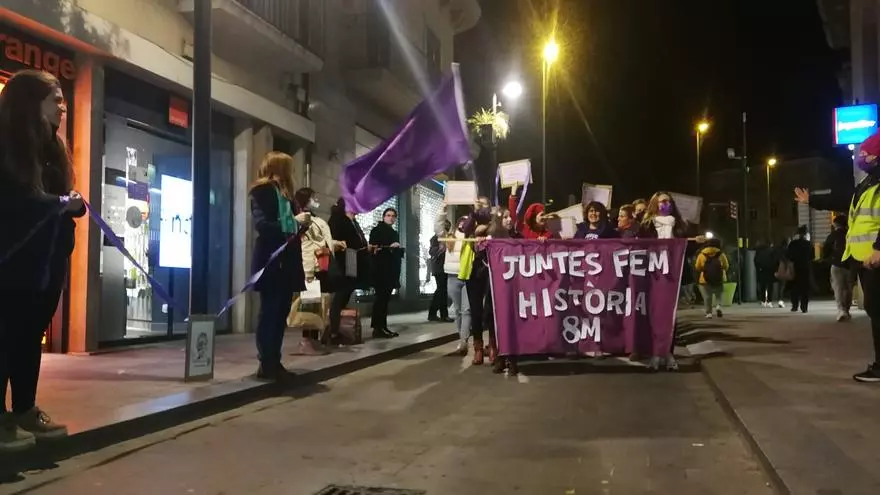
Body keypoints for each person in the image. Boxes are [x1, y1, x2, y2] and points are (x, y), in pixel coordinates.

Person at [0, 70, 85, 452]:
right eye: (55, 98)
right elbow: (15, 204)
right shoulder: (7, 147)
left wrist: (72, 205)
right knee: (6, 336)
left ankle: (24, 409)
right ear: (29, 103)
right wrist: (59, 204)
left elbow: (58, 201)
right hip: (12, 264)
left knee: (28, 337)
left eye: (63, 99)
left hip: (47, 265)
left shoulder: (53, 149)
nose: (63, 107)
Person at [794, 130, 880, 381]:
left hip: (875, 259)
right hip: (865, 261)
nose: (862, 157)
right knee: (874, 310)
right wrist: (812, 200)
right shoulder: (869, 183)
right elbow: (842, 198)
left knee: (877, 310)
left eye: (867, 153)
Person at [249, 151, 310, 381]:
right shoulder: (261, 192)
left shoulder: (288, 196)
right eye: (289, 167)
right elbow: (263, 226)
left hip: (288, 262)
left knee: (281, 312)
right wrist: (293, 222)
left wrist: (302, 223)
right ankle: (266, 362)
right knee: (270, 312)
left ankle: (275, 360)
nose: (292, 173)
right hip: (271, 261)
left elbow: (292, 229)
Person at [289, 188, 345, 354]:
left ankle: (312, 340)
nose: (316, 200)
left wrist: (334, 243)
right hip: (310, 265)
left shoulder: (314, 219)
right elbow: (305, 240)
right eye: (314, 197)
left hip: (320, 264)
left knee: (316, 303)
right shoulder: (302, 218)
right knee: (309, 303)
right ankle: (307, 341)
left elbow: (319, 241)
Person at [327, 198, 371, 344]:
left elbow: (357, 240)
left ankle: (341, 329)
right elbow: (334, 240)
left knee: (347, 292)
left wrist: (365, 246)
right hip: (343, 261)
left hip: (353, 259)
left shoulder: (353, 221)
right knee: (340, 294)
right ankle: (333, 332)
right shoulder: (337, 220)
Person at [435, 206, 471, 354]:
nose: (463, 223)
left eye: (467, 222)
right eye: (461, 221)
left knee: (467, 310)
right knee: (457, 310)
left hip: (468, 277)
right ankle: (462, 338)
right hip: (452, 276)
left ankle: (464, 341)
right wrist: (442, 210)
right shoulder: (450, 237)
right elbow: (438, 227)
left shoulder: (472, 237)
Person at [369, 208, 404, 339]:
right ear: (383, 217)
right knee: (380, 299)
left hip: (390, 270)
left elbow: (398, 254)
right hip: (380, 270)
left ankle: (382, 326)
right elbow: (374, 249)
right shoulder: (377, 230)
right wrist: (390, 247)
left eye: (393, 216)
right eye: (388, 215)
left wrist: (397, 249)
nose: (391, 218)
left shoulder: (394, 232)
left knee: (385, 300)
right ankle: (377, 328)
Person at [823, 215, 856, 322]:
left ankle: (842, 310)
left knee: (838, 288)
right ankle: (847, 309)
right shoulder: (851, 234)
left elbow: (826, 249)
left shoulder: (833, 235)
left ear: (836, 224)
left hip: (837, 264)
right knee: (849, 288)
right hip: (850, 265)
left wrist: (827, 259)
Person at [695, 238, 729, 319]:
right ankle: (718, 306)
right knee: (719, 294)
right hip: (718, 278)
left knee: (707, 297)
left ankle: (709, 313)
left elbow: (697, 267)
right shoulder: (721, 254)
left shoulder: (701, 254)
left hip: (704, 279)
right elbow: (726, 266)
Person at [427, 221, 452, 322]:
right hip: (439, 267)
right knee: (441, 290)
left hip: (446, 267)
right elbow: (432, 251)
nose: (446, 228)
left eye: (448, 227)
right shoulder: (436, 237)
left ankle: (437, 314)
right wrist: (440, 248)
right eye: (445, 226)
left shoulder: (448, 237)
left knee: (442, 291)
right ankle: (439, 314)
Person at [786, 225, 813, 313]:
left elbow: (788, 256)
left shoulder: (792, 244)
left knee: (794, 287)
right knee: (805, 288)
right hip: (805, 267)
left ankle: (794, 305)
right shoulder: (809, 244)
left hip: (794, 267)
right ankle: (804, 307)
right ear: (806, 234)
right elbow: (812, 256)